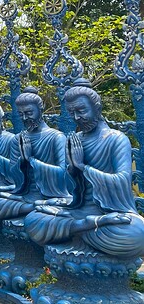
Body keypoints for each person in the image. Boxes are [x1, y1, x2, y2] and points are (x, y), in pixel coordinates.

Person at [24, 80, 144, 258]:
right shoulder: (75, 139)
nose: (76, 118)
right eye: (72, 113)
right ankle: (88, 225)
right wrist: (72, 170)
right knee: (33, 219)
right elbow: (67, 188)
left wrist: (83, 167)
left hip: (111, 212)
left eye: (81, 111)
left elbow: (122, 180)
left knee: (138, 233)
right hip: (80, 210)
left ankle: (77, 230)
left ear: (97, 108)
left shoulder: (116, 139)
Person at [0, 87, 70, 222]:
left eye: (29, 113)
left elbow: (63, 174)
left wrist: (31, 161)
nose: (25, 118)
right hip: (25, 194)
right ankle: (35, 208)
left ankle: (37, 208)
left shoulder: (56, 137)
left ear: (40, 110)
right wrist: (22, 162)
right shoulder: (18, 139)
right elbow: (13, 177)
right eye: (21, 114)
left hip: (50, 195)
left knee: (36, 218)